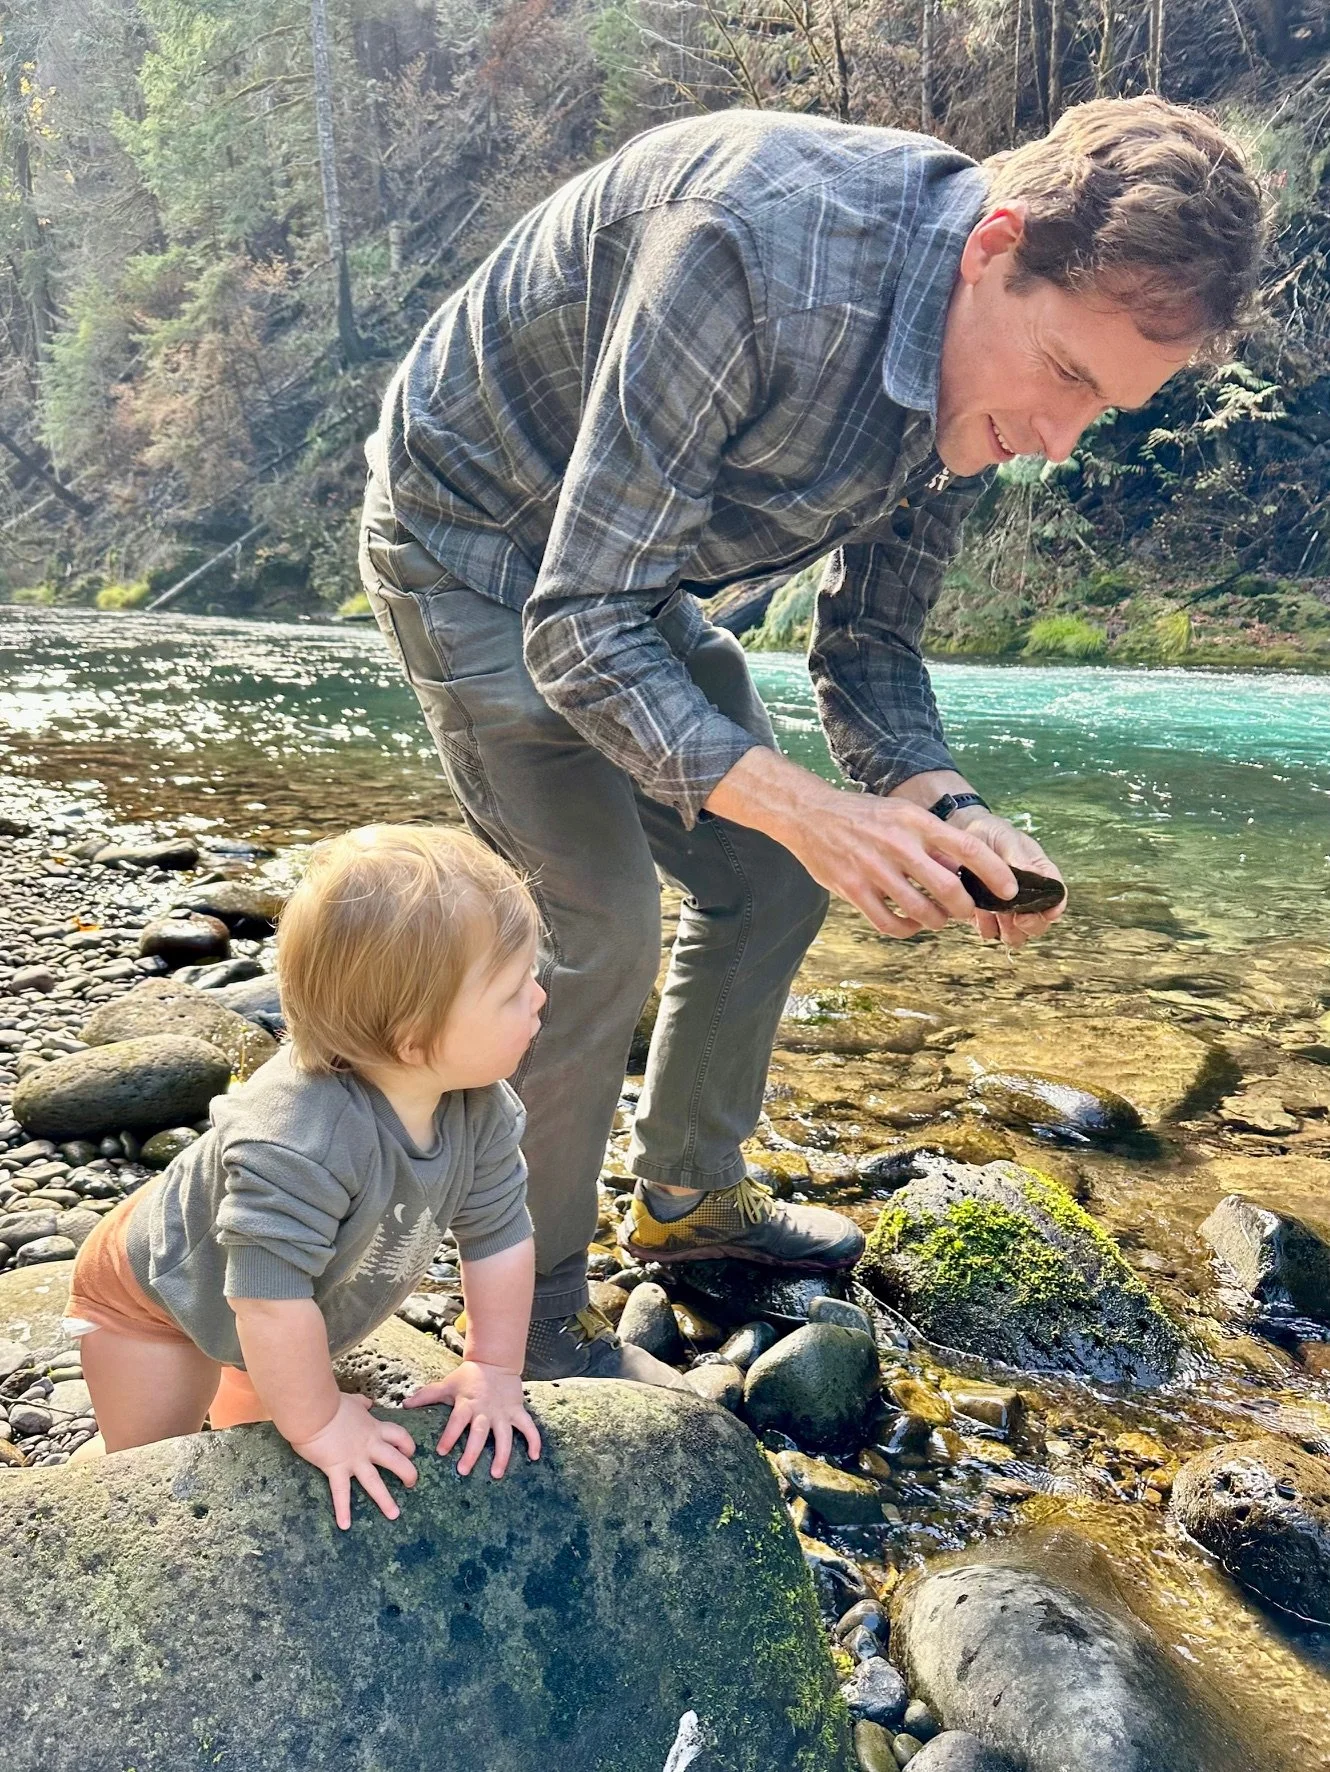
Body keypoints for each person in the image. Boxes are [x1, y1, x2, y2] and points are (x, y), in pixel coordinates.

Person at [358, 96, 1265, 1386]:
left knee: (769, 871)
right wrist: (812, 805)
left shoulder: (981, 377)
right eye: (1065, 376)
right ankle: (542, 1316)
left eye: (1101, 410)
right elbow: (575, 627)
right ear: (992, 247)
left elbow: (870, 646)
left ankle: (684, 1197)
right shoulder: (747, 251)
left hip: (625, 566)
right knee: (593, 928)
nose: (1055, 443)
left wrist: (945, 806)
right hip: (470, 537)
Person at [68, 825, 558, 1527]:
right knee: (149, 1469)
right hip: (153, 1302)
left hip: (270, 1292)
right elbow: (268, 1303)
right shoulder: (299, 1138)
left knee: (253, 1428)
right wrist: (323, 1424)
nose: (539, 998)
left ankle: (254, 1410)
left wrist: (495, 1368)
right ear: (412, 1038)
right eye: (513, 990)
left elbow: (500, 1236)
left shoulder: (476, 1103)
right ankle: (67, 1504)